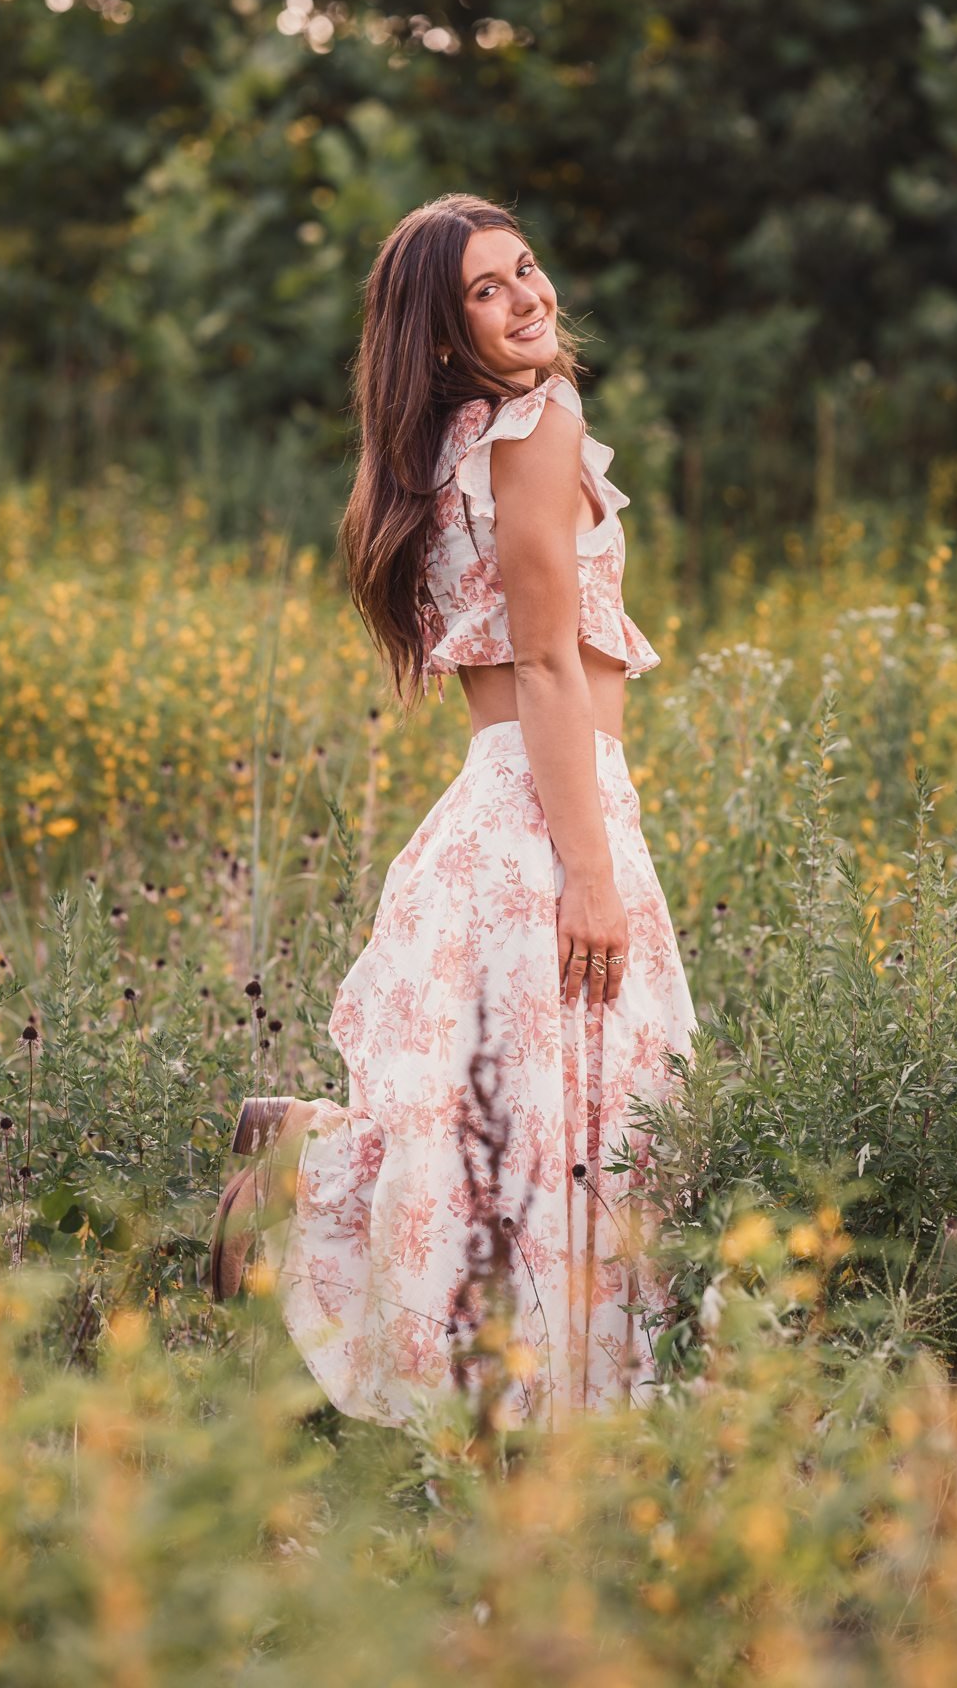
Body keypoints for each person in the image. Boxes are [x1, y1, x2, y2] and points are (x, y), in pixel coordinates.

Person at [209, 192, 697, 1431]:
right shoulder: (534, 428)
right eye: (488, 287)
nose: (528, 294)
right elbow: (542, 666)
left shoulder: (447, 446)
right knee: (584, 1123)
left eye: (527, 268)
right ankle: (553, 1419)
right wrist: (588, 870)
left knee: (516, 1128)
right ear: (440, 332)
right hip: (548, 812)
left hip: (506, 807)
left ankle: (314, 1167)